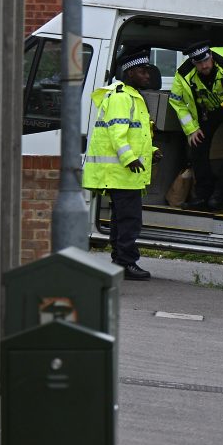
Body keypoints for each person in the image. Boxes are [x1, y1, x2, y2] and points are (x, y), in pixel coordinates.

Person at [85, 50, 158, 281]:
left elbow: (138, 136)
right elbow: (117, 134)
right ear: (130, 73)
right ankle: (126, 263)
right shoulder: (121, 97)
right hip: (122, 172)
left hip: (124, 173)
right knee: (129, 220)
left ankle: (120, 261)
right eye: (143, 71)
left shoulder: (130, 95)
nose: (148, 75)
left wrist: (152, 152)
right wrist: (129, 159)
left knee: (121, 219)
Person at [168, 41, 223, 211]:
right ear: (193, 63)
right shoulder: (184, 74)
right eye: (199, 63)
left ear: (211, 56)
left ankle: (220, 195)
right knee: (197, 144)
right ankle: (202, 195)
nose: (204, 65)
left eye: (206, 60)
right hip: (211, 110)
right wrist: (192, 129)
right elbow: (176, 101)